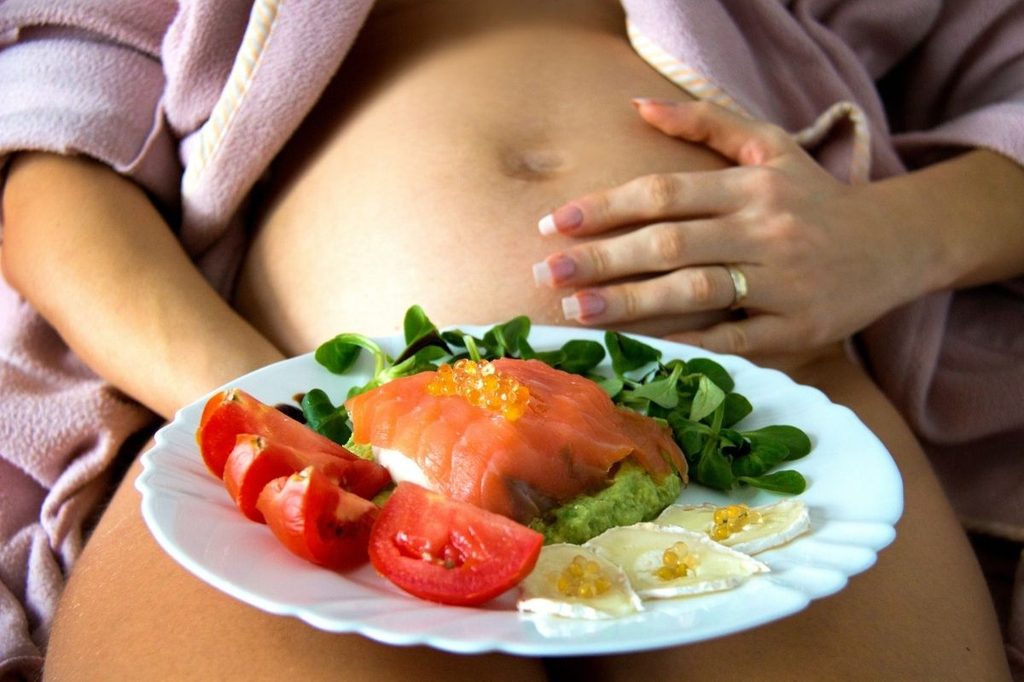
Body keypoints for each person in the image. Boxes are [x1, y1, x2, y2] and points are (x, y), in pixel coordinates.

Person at [0, 0, 1021, 679]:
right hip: (311, 434)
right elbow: (46, 152)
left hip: (759, 404)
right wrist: (279, 425)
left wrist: (893, 235)